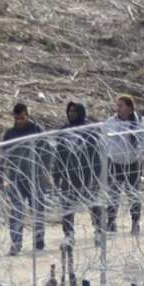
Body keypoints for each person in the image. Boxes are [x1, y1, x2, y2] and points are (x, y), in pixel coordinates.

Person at [56, 101, 106, 243]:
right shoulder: (64, 130)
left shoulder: (89, 129)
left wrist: (96, 173)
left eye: (74, 111)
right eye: (69, 111)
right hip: (69, 174)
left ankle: (99, 231)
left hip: (87, 172)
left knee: (93, 202)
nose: (71, 114)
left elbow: (95, 153)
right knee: (67, 205)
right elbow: (59, 153)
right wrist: (57, 174)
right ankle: (68, 233)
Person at [1, 102, 46, 255]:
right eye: (16, 118)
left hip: (35, 176)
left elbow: (45, 151)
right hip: (15, 178)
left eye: (21, 118)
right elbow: (4, 155)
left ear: (27, 115)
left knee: (37, 209)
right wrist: (0, 174)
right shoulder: (9, 134)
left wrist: (45, 171)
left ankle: (39, 242)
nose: (19, 121)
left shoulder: (36, 129)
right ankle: (15, 244)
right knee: (16, 211)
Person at [100, 94, 144, 235]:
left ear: (129, 108)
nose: (118, 108)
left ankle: (135, 222)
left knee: (132, 194)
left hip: (132, 163)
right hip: (114, 163)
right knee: (113, 194)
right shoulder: (111, 122)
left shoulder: (138, 123)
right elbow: (104, 139)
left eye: (121, 105)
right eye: (117, 105)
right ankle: (111, 222)